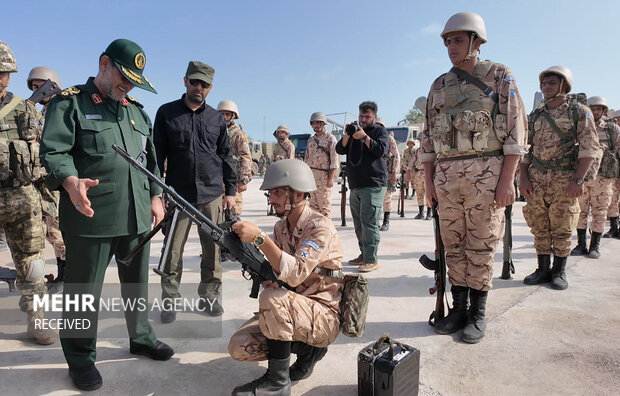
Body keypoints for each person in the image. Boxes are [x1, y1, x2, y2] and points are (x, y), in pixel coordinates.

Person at [40, 39, 174, 391]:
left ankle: (141, 338)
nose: (127, 86)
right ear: (104, 64)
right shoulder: (69, 104)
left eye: (133, 81)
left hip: (137, 217)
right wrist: (71, 182)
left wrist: (157, 196)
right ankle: (81, 358)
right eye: (123, 78)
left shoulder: (137, 112)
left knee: (137, 286)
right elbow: (54, 152)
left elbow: (152, 163)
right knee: (83, 293)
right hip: (91, 216)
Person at [419, 12, 528, 343]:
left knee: (481, 245)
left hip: (486, 173)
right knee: (454, 246)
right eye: (447, 41)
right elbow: (427, 138)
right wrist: (427, 180)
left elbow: (515, 130)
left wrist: (507, 180)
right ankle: (459, 310)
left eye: (457, 40)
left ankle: (477, 314)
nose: (451, 47)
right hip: (447, 177)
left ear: (476, 42)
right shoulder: (439, 84)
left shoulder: (499, 76)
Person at [228, 159, 343, 396]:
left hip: (324, 317)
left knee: (272, 299)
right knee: (239, 346)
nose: (272, 198)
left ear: (299, 193)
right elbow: (279, 272)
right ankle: (308, 352)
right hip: (296, 311)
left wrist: (259, 238)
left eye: (278, 192)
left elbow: (298, 270)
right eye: (271, 193)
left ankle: (277, 384)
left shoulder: (320, 226)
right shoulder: (281, 228)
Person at [154, 61, 236, 322]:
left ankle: (210, 297)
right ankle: (169, 301)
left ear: (210, 88)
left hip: (211, 193)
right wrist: (157, 193)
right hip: (178, 195)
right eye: (194, 82)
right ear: (185, 81)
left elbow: (226, 155)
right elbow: (157, 156)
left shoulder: (215, 118)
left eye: (204, 84)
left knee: (213, 251)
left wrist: (230, 191)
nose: (198, 87)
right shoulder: (167, 113)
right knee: (172, 250)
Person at [519, 66, 600, 291]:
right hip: (537, 179)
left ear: (564, 85)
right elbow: (527, 150)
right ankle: (543, 269)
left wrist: (578, 180)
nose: (546, 87)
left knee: (563, 225)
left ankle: (559, 271)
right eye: (544, 84)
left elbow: (589, 148)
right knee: (539, 225)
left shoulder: (578, 111)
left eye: (551, 83)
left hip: (564, 180)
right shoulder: (536, 115)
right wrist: (523, 178)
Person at [0, 41, 57, 345]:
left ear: (10, 76)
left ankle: (36, 320)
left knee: (33, 265)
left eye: (3, 72)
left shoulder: (26, 110)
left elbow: (44, 158)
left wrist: (49, 204)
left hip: (23, 200)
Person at [336, 101, 389, 273]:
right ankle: (364, 254)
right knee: (359, 223)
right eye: (361, 116)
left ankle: (371, 259)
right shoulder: (353, 132)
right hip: (356, 185)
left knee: (369, 222)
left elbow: (380, 150)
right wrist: (347, 135)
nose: (363, 120)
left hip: (373, 185)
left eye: (367, 117)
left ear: (374, 116)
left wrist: (364, 137)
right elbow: (339, 149)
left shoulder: (380, 131)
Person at [27, 66, 67, 291]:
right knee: (47, 233)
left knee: (58, 231)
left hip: (57, 182)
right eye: (33, 87)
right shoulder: (38, 113)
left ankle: (66, 276)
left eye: (40, 86)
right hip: (39, 181)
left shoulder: (62, 109)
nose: (36, 91)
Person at [571, 96, 620, 257]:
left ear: (604, 111)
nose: (596, 112)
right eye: (593, 108)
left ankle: (595, 246)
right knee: (580, 212)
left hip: (604, 178)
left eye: (599, 109)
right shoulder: (580, 126)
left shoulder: (612, 129)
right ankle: (581, 245)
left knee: (600, 212)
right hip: (583, 177)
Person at [217, 99, 252, 216]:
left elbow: (246, 157)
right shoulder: (215, 131)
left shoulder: (238, 134)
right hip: (217, 181)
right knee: (217, 215)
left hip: (233, 181)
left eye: (227, 114)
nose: (225, 117)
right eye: (222, 114)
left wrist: (244, 179)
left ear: (233, 116)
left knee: (233, 214)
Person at [304, 111, 338, 218]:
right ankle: (315, 231)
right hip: (311, 176)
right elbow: (306, 159)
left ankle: (326, 231)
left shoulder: (330, 139)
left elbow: (334, 160)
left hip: (324, 176)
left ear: (324, 124)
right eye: (313, 123)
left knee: (324, 206)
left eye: (318, 123)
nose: (316, 125)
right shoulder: (310, 140)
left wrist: (331, 178)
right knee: (313, 206)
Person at [378, 121, 400, 231]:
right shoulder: (369, 137)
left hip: (386, 173)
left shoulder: (389, 139)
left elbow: (396, 156)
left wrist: (394, 172)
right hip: (373, 174)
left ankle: (386, 221)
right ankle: (375, 221)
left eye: (380, 125)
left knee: (386, 198)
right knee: (374, 199)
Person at [603, 108, 620, 239]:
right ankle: (614, 228)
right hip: (613, 173)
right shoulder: (611, 134)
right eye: (617, 119)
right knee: (612, 201)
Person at [411, 139, 432, 220]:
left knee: (428, 194)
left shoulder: (430, 150)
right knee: (419, 194)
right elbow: (412, 162)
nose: (421, 142)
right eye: (420, 140)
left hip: (427, 174)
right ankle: (421, 213)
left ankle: (429, 213)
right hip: (418, 174)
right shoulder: (417, 151)